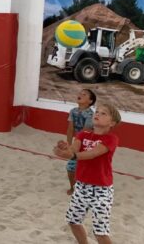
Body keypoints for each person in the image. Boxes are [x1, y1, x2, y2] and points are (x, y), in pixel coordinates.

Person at [53, 103, 121, 244]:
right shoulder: (83, 134)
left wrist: (72, 155)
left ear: (112, 122)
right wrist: (65, 148)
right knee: (73, 221)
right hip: (81, 187)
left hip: (101, 190)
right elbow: (73, 150)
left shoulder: (111, 139)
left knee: (100, 232)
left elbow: (92, 154)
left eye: (104, 113)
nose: (97, 114)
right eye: (97, 112)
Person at [65, 89, 96, 195]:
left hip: (88, 144)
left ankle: (85, 190)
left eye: (84, 94)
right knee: (70, 167)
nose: (80, 95)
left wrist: (75, 146)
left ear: (90, 101)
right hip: (77, 142)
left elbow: (85, 132)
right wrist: (68, 144)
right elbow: (70, 129)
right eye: (80, 93)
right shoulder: (73, 111)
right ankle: (73, 188)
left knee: (85, 168)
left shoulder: (90, 114)